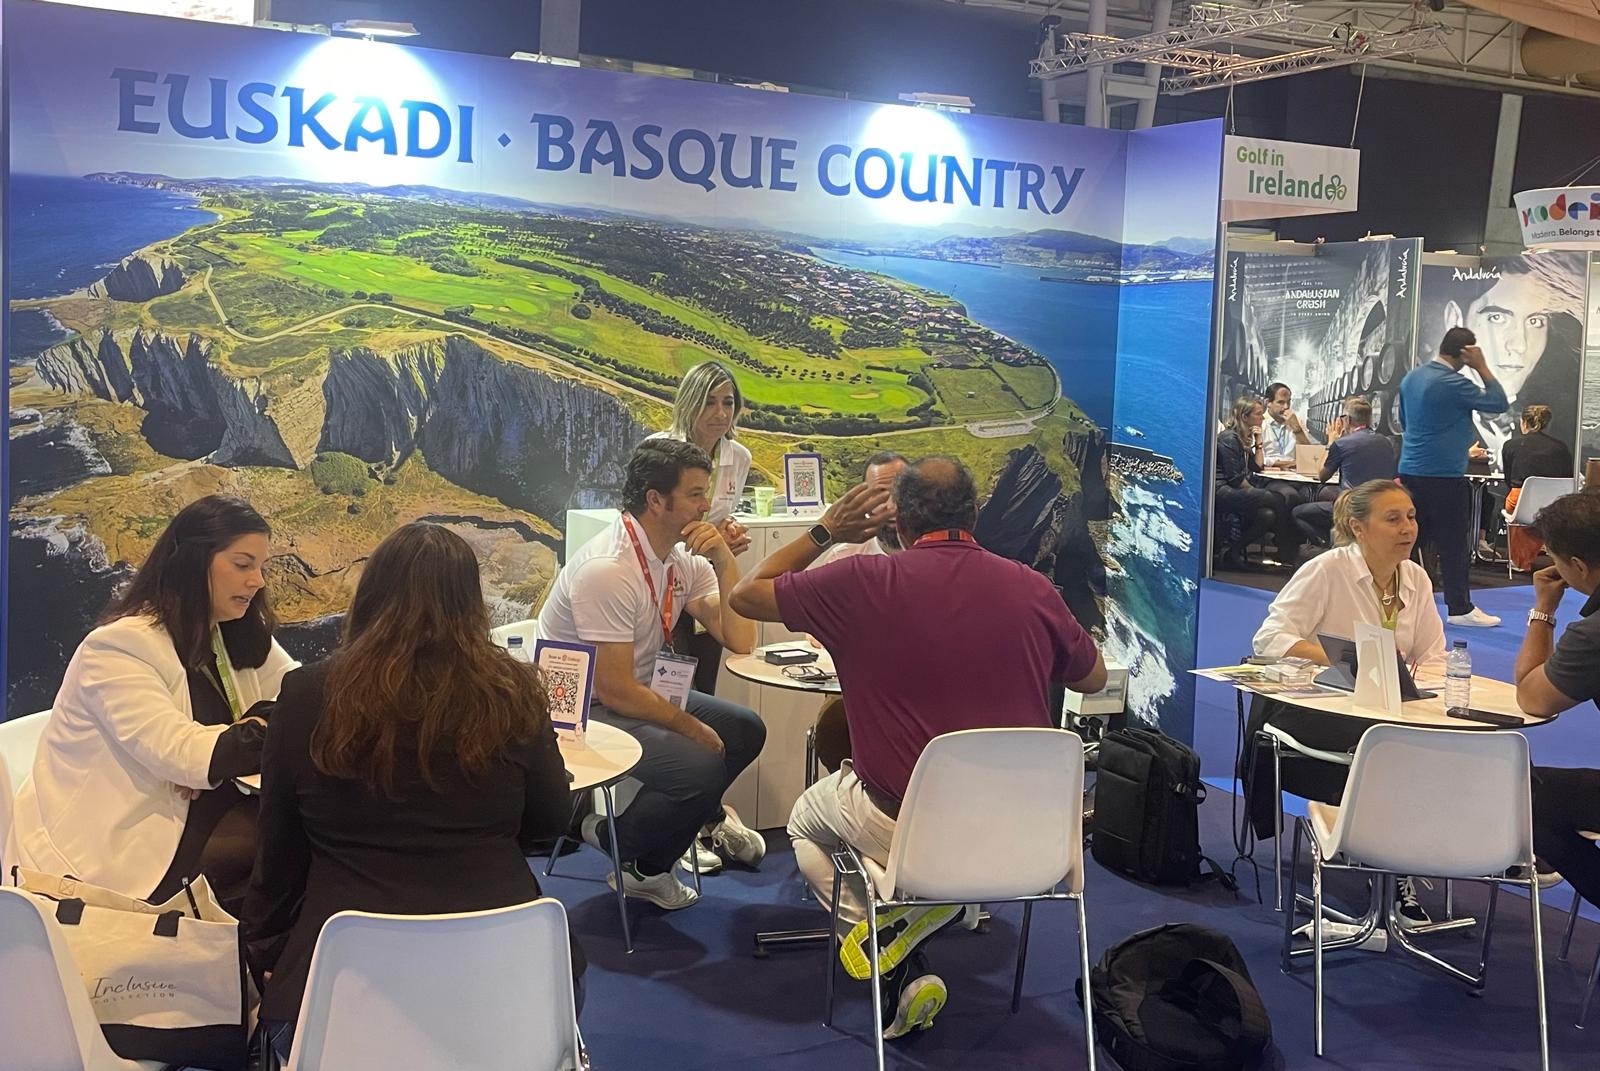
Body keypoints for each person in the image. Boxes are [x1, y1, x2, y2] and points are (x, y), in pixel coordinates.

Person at [728, 457, 1106, 1041]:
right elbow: (1093, 678)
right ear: (974, 513)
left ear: (897, 520)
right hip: (1032, 838)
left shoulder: (860, 583)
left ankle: (889, 937)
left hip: (911, 828)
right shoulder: (1032, 586)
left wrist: (826, 530)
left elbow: (745, 596)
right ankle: (934, 908)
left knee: (805, 821)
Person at [245, 523, 579, 1057]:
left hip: (341, 987)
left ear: (372, 594)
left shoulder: (307, 693)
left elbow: (278, 848)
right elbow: (551, 820)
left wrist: (266, 951)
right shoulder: (513, 691)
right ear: (469, 602)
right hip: (503, 977)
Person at [6, 496, 297, 910]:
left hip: (199, 812)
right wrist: (247, 738)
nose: (258, 581)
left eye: (260, 567)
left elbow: (299, 695)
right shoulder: (118, 647)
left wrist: (248, 734)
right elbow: (185, 755)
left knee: (300, 831)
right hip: (119, 849)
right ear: (194, 562)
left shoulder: (227, 633)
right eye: (243, 565)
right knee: (289, 843)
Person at [537, 439, 765, 907]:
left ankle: (630, 849)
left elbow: (742, 639)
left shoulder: (681, 559)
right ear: (656, 500)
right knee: (701, 768)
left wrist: (725, 560)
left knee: (746, 730)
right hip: (579, 708)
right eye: (696, 495)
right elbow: (615, 690)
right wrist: (692, 727)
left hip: (631, 691)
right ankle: (633, 853)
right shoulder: (608, 569)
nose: (707, 506)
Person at [1246, 480, 1447, 926]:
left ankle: (1478, 847)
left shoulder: (1416, 577)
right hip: (1317, 710)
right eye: (1393, 519)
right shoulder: (1326, 570)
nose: (1407, 528)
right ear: (1358, 527)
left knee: (1451, 741)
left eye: (1411, 517)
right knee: (1392, 748)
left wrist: (1419, 686)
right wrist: (1347, 657)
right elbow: (1269, 639)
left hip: (1392, 709)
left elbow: (1433, 656)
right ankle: (1393, 869)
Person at [649, 361, 756, 695]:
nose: (720, 413)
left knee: (704, 677)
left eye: (728, 402)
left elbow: (718, 515)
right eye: (709, 402)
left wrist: (727, 534)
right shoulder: (657, 451)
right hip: (663, 574)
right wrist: (707, 539)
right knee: (665, 680)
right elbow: (648, 522)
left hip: (708, 575)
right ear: (690, 403)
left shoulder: (739, 457)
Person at [1514, 492, 1600, 908]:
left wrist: (1544, 608)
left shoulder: (1593, 635)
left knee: (1520, 796)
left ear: (1578, 567)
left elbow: (1533, 697)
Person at [1397, 327, 1508, 627]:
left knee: (1407, 540)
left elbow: (1404, 421)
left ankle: (1396, 603)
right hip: (1443, 475)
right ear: (1466, 353)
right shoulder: (1454, 383)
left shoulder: (1411, 378)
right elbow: (1499, 403)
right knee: (1453, 543)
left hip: (1410, 470)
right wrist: (1482, 367)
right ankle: (1460, 609)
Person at [1433, 257, 1586, 460]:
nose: (1520, 345)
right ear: (1455, 320)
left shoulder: (1558, 430)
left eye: (1535, 321)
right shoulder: (1435, 411)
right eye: (1497, 318)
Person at [1291, 397, 1398, 547]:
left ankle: (1328, 548)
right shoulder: (1386, 442)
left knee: (1299, 513)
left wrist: (1330, 443)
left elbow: (1322, 476)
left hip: (1352, 507)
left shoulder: (1342, 444)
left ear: (1347, 419)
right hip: (1380, 504)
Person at [1214, 396, 1297, 569]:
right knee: (1277, 498)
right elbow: (1236, 479)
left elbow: (1257, 466)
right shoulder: (1229, 438)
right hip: (1221, 490)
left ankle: (1233, 552)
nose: (1262, 418)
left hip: (1234, 488)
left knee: (1268, 515)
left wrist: (1259, 442)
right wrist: (1256, 494)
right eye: (1258, 414)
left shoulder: (1242, 438)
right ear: (1245, 417)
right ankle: (1285, 547)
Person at [811, 452, 907, 568]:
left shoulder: (927, 559)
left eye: (900, 493)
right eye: (879, 495)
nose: (892, 507)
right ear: (864, 498)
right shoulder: (843, 559)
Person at [1502, 405, 1575, 512]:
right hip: (1553, 502)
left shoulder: (1510, 445)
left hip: (1520, 503)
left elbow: (1509, 479)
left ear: (1524, 423)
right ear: (1547, 425)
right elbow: (1567, 477)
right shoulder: (1561, 447)